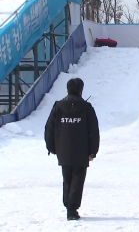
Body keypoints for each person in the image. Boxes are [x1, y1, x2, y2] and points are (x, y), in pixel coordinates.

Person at [44, 78, 100, 221]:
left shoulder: (58, 106)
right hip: (81, 151)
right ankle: (71, 209)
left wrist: (52, 147)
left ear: (67, 90)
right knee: (77, 179)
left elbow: (49, 129)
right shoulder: (87, 108)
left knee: (67, 179)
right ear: (81, 90)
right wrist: (93, 151)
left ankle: (69, 206)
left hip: (63, 150)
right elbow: (93, 131)